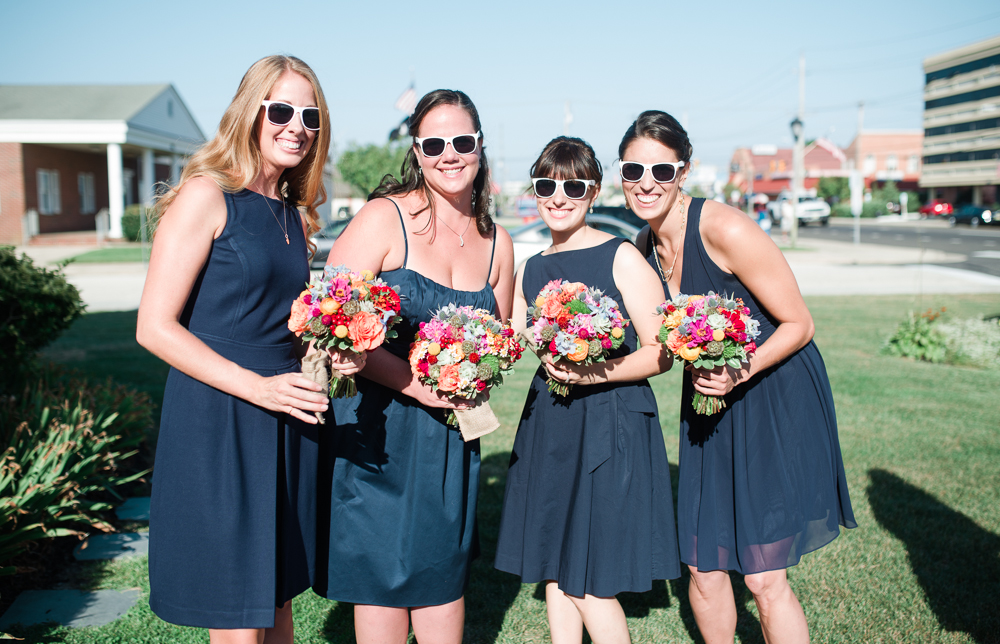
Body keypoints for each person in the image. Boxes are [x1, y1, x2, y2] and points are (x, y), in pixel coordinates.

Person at [137, 55, 353, 644]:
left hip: (286, 417)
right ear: (248, 114)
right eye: (281, 110)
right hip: (220, 418)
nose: (297, 126)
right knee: (239, 616)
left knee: (277, 601)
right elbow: (154, 327)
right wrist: (258, 388)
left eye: (310, 115)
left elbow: (283, 320)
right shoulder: (208, 196)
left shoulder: (294, 212)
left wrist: (336, 352)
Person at [621, 110, 856, 644]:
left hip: (772, 393)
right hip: (708, 402)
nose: (647, 184)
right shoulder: (643, 248)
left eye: (662, 170)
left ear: (684, 171)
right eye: (634, 172)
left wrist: (739, 370)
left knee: (763, 573)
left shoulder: (723, 227)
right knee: (703, 567)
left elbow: (800, 323)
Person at [315, 89, 515, 644]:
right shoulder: (384, 218)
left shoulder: (498, 245)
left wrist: (475, 371)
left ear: (479, 146)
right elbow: (329, 325)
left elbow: (497, 342)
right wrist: (419, 387)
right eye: (433, 143)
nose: (448, 154)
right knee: (382, 587)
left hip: (452, 439)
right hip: (378, 433)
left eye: (461, 141)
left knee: (442, 585)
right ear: (417, 150)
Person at [494, 136, 679, 644]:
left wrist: (592, 373)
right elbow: (513, 334)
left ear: (593, 191)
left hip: (609, 422)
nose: (558, 196)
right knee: (556, 563)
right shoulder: (533, 268)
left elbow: (660, 352)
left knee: (591, 580)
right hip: (551, 422)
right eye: (546, 185)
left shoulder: (619, 256)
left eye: (573, 186)